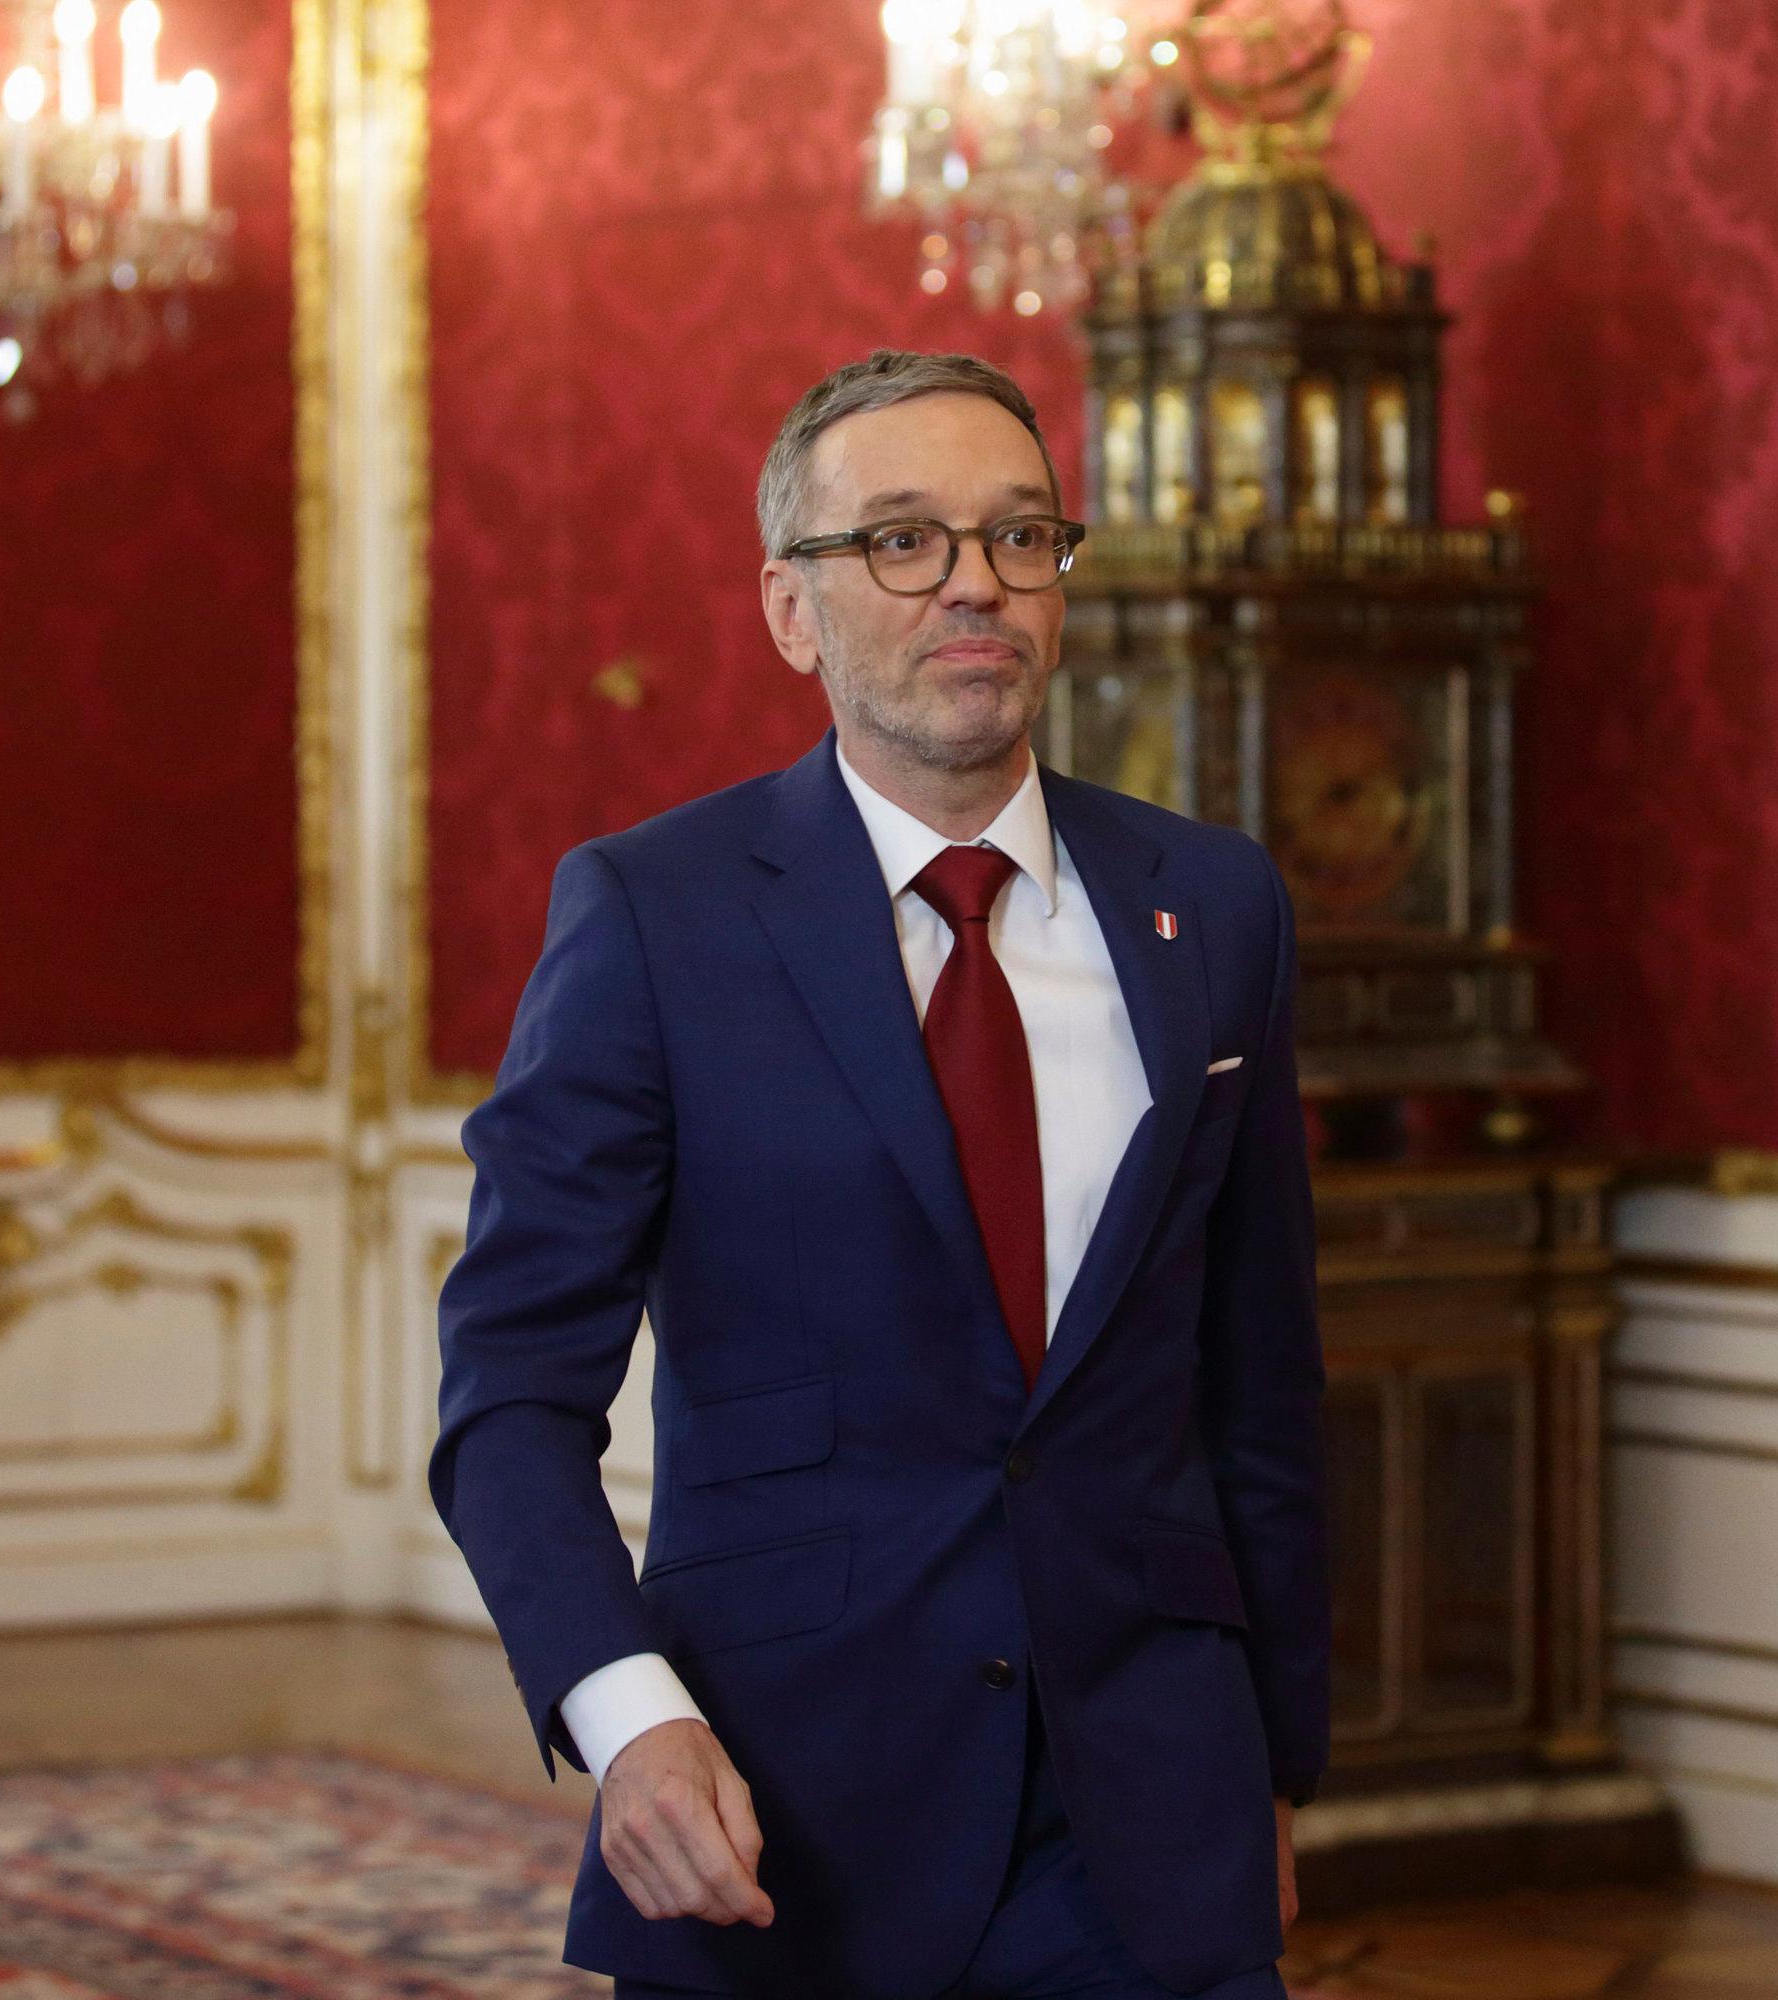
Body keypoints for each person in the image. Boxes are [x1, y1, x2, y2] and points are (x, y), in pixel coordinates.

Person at [430, 348, 1329, 1999]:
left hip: (1151, 1817)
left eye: (1020, 538)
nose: (974, 586)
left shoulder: (1217, 907)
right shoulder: (655, 915)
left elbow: (1258, 1381)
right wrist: (629, 1723)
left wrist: (1272, 1768)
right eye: (903, 542)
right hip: (784, 1819)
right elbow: (508, 1398)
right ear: (793, 609)